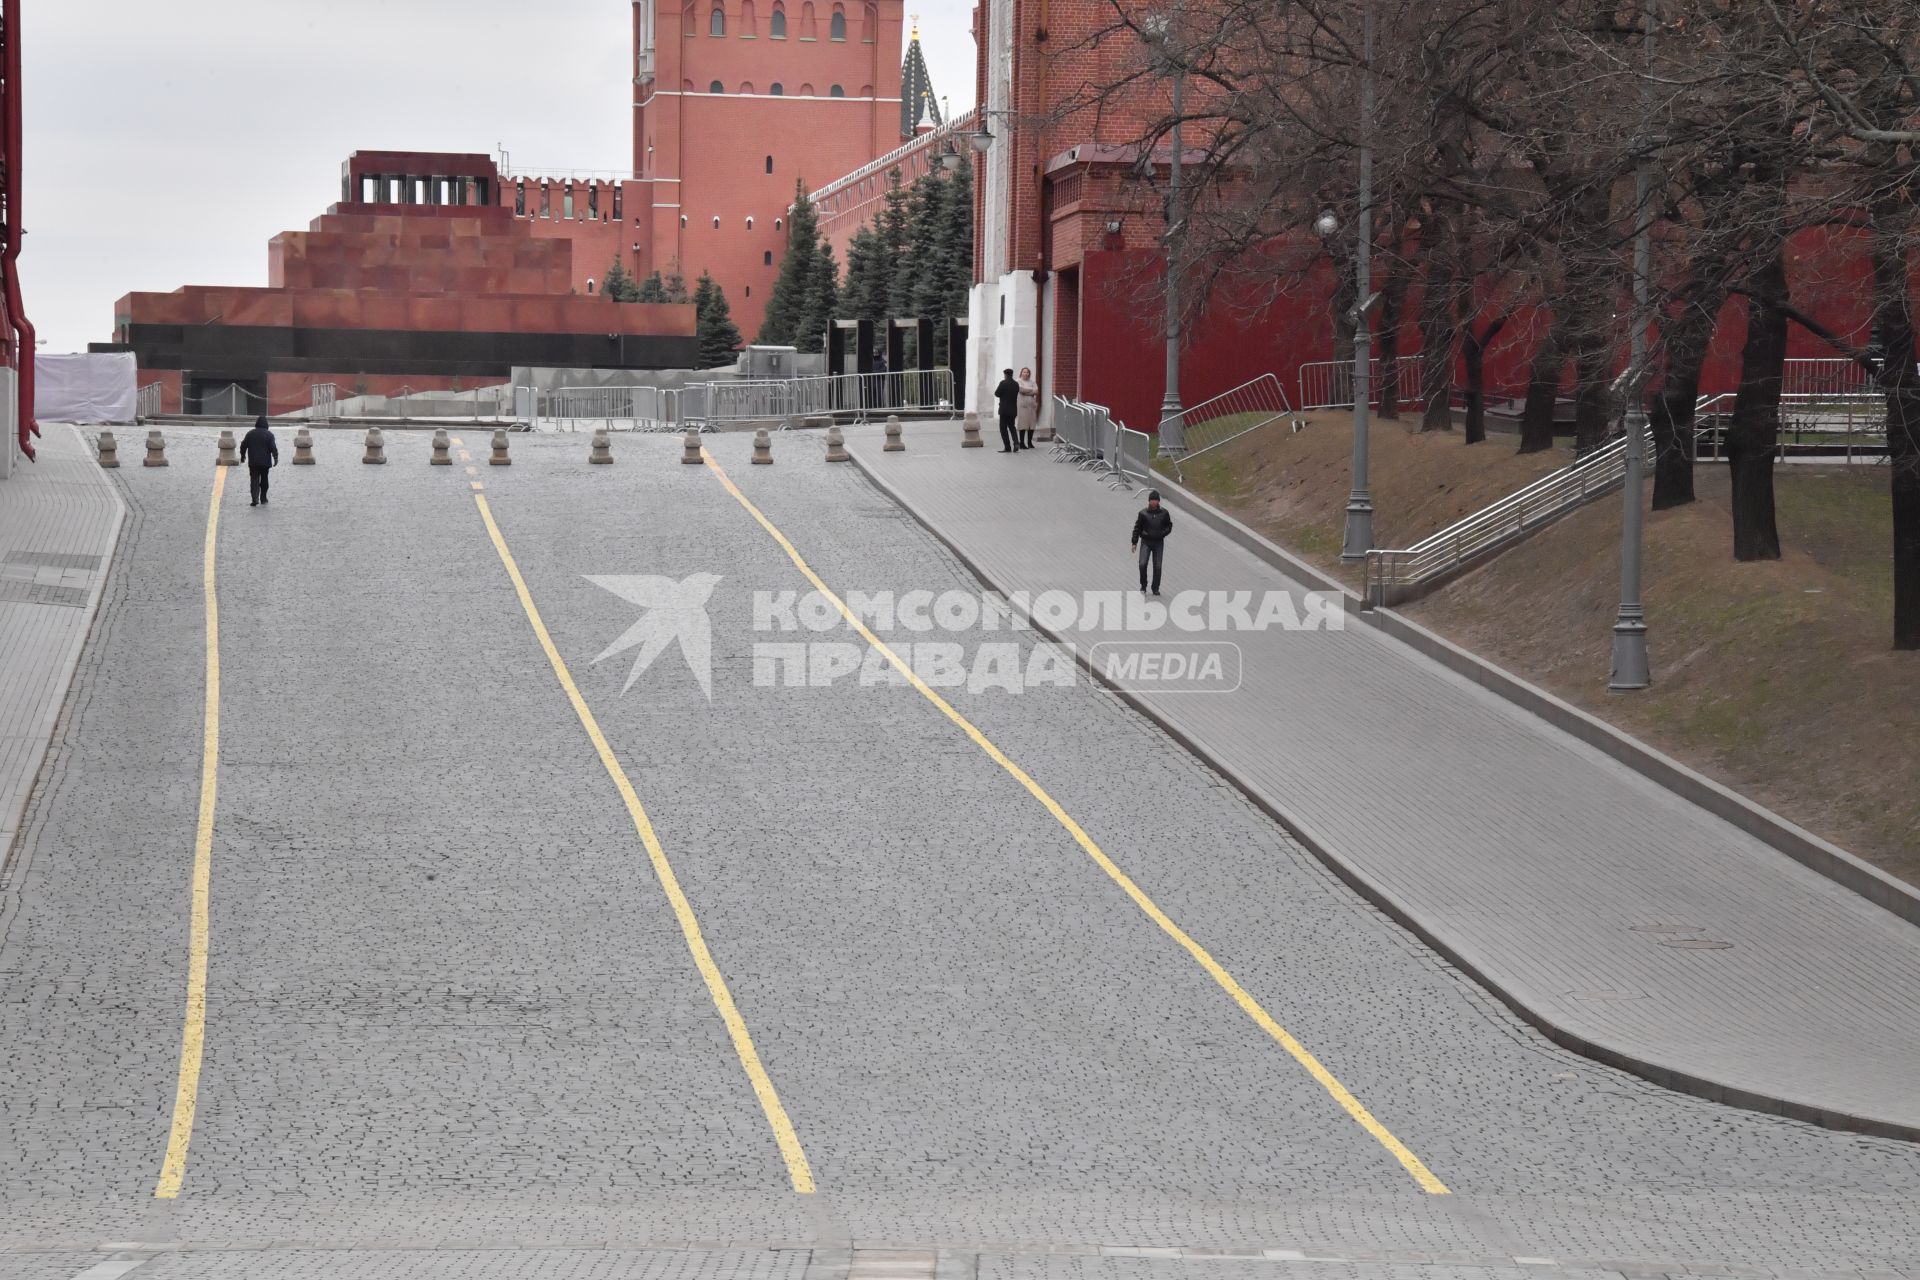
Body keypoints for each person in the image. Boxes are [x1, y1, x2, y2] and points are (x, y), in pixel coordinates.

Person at [1130, 489, 1173, 595]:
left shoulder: (1164, 513)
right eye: (1152, 500)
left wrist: (1163, 533)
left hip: (1158, 543)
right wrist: (1134, 542)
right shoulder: (1143, 513)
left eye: (1156, 500)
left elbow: (1169, 526)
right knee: (1142, 564)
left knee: (1158, 566)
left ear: (1158, 501)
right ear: (1149, 501)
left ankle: (1155, 588)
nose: (1154, 502)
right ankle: (1143, 585)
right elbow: (1137, 528)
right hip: (1146, 542)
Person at [239, 415, 279, 507]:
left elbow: (243, 445)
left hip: (253, 462)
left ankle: (255, 499)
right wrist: (275, 458)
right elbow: (273, 447)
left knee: (254, 480)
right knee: (264, 479)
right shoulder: (269, 435)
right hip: (265, 462)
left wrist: (243, 456)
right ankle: (263, 498)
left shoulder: (250, 434)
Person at [993, 368, 1022, 453]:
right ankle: (1016, 443)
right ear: (1012, 374)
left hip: (1004, 410)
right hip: (1013, 409)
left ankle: (1007, 447)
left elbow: (997, 393)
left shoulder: (1003, 383)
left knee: (1003, 429)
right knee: (1012, 427)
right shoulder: (1016, 384)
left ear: (1005, 375)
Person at [1016, 366, 1039, 449]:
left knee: (1031, 424)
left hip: (1032, 406)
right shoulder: (1018, 381)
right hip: (1022, 406)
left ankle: (1029, 442)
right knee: (1023, 424)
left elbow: (1036, 391)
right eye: (1024, 372)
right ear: (1021, 373)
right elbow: (1021, 390)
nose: (1026, 373)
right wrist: (1031, 390)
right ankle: (1021, 443)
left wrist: (1028, 391)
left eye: (1027, 372)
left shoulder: (1032, 381)